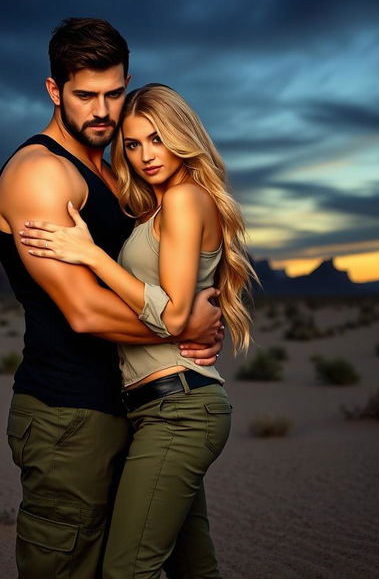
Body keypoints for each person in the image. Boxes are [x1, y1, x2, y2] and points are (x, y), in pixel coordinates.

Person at [0, 19, 225, 578]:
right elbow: (85, 310)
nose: (102, 110)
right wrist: (184, 325)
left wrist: (198, 313)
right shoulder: (43, 174)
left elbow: (175, 269)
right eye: (85, 95)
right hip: (68, 415)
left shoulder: (119, 172)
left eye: (113, 93)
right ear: (54, 91)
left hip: (140, 408)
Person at [21, 83, 256, 578]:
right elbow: (179, 312)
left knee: (128, 570)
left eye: (157, 138)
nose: (146, 155)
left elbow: (171, 315)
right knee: (193, 567)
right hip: (159, 409)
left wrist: (90, 256)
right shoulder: (159, 207)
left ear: (183, 137)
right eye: (132, 144)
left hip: (180, 410)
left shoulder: (186, 199)